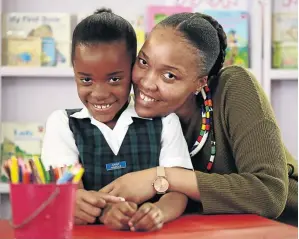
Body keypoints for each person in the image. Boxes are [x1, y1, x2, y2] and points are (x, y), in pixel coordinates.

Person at [100, 12, 298, 227]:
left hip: (282, 226)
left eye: (169, 76)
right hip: (203, 230)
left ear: (200, 82)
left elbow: (269, 193)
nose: (147, 83)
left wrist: (161, 178)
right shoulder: (129, 114)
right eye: (143, 62)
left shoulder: (234, 87)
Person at [41, 9, 193, 231]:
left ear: (133, 70)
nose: (100, 93)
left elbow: (179, 191)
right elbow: (70, 192)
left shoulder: (164, 122)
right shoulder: (63, 124)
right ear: (74, 72)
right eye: (86, 79)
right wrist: (96, 209)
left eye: (114, 79)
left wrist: (159, 212)